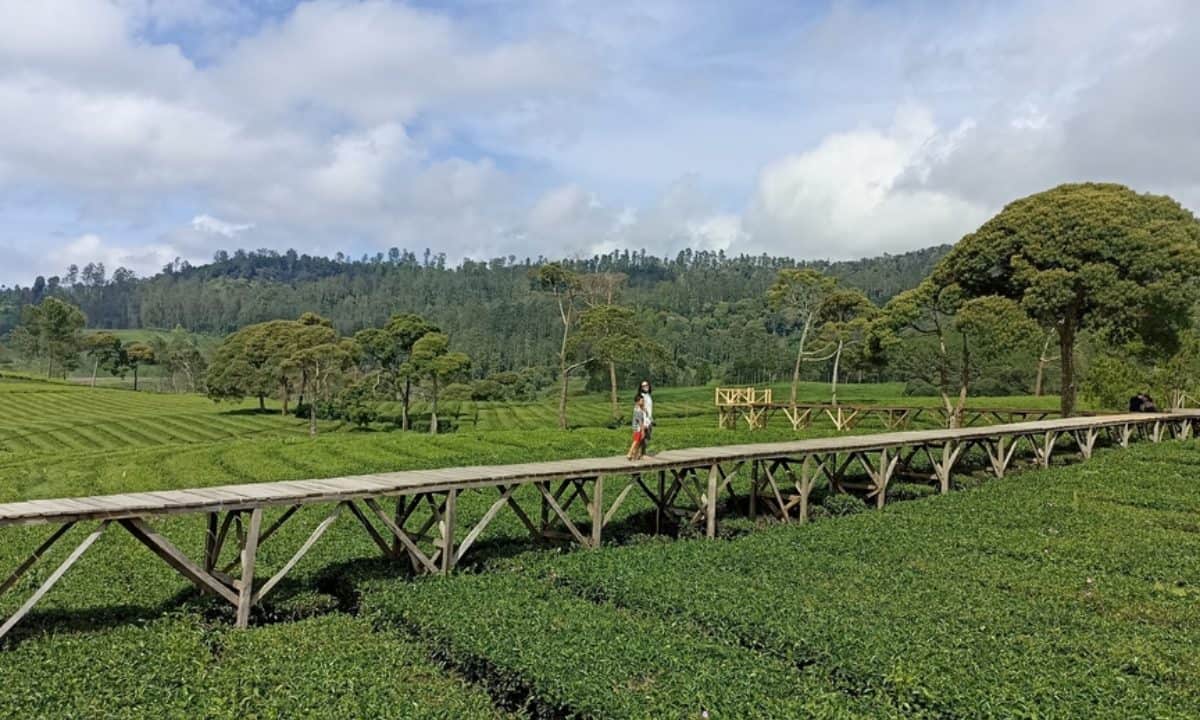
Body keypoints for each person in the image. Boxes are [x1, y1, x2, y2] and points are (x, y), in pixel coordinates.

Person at [627, 394, 647, 460]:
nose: (643, 402)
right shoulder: (638, 410)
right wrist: (643, 430)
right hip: (638, 428)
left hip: (636, 427)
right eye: (642, 401)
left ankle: (634, 454)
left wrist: (643, 408)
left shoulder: (637, 408)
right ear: (638, 402)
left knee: (638, 440)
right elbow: (640, 421)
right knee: (636, 440)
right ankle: (629, 453)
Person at [638, 379, 654, 456]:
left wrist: (650, 418)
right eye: (643, 386)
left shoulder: (648, 395)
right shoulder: (642, 396)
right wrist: (644, 420)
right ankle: (638, 453)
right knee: (642, 436)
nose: (645, 387)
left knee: (647, 437)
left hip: (649, 419)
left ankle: (643, 453)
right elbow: (640, 407)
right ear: (641, 387)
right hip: (644, 419)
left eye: (646, 385)